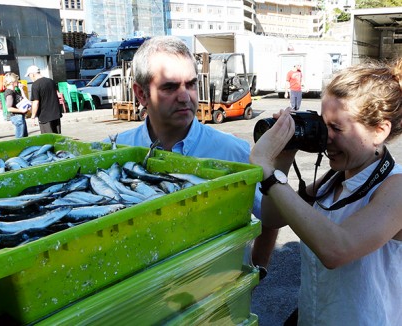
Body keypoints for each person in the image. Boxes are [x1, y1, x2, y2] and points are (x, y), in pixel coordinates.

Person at [106, 35, 278, 275]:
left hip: (216, 298)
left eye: (191, 84)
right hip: (141, 300)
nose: (185, 96)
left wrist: (257, 271)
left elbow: (271, 217)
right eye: (169, 87)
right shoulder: (113, 154)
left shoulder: (232, 152)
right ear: (141, 94)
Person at [250, 59, 402, 325]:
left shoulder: (395, 187)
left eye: (337, 128)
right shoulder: (333, 180)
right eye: (323, 124)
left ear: (379, 131)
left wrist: (268, 173)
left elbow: (336, 249)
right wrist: (283, 158)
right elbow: (273, 218)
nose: (325, 137)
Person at [25, 65, 62, 134]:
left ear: (32, 74)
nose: (29, 77)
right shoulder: (51, 81)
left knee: (48, 139)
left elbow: (36, 102)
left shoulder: (35, 85)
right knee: (57, 137)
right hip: (56, 114)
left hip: (44, 116)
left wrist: (33, 116)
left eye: (29, 75)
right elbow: (57, 94)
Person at [3, 72, 28, 138]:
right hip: (16, 116)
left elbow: (24, 99)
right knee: (20, 138)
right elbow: (9, 108)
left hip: (20, 116)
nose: (18, 81)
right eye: (16, 80)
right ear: (12, 82)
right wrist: (21, 111)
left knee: (24, 137)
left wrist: (21, 89)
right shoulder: (9, 92)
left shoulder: (15, 91)